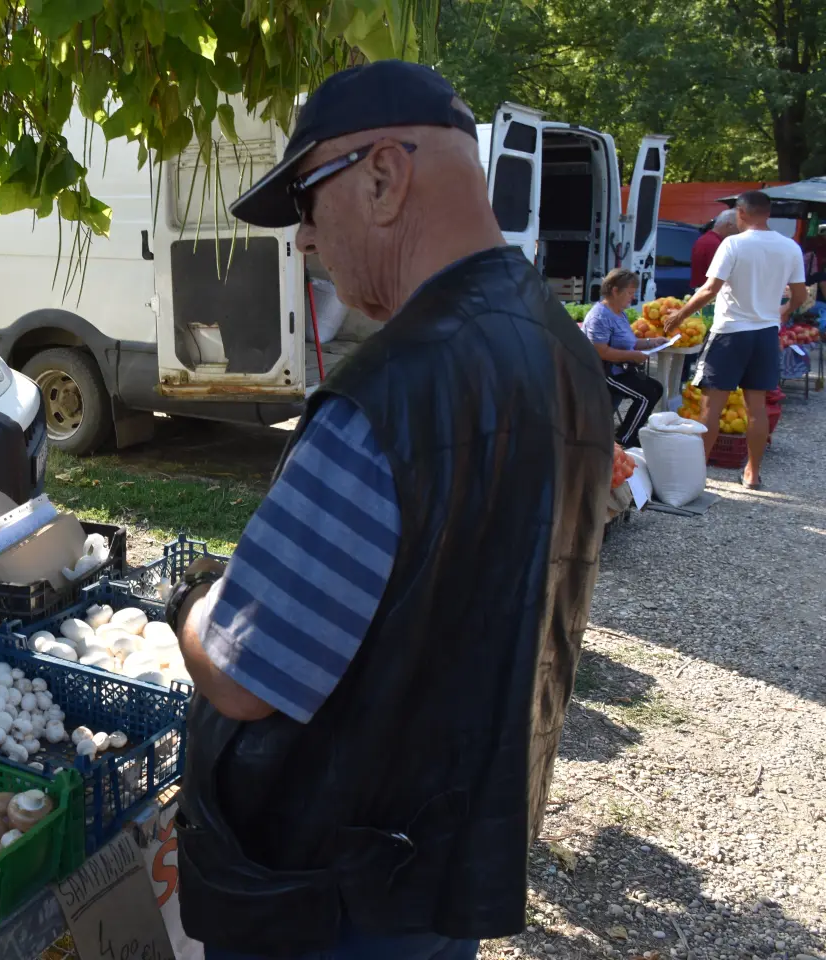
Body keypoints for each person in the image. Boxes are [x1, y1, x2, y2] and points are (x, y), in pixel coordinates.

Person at [159, 61, 613, 960]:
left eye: (304, 202)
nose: (302, 242)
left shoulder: (392, 393)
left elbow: (243, 678)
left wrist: (193, 607)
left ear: (382, 176)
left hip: (333, 896)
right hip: (447, 863)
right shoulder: (562, 347)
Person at [667, 190, 808, 488]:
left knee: (711, 408)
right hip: (766, 335)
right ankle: (752, 474)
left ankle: (698, 474)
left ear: (741, 213)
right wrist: (783, 312)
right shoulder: (790, 247)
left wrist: (678, 316)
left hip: (730, 333)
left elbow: (709, 290)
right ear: (768, 214)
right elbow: (799, 295)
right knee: (756, 407)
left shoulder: (732, 244)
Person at [581, 268, 668, 447]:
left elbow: (630, 342)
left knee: (656, 388)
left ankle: (627, 432)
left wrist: (653, 342)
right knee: (646, 395)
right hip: (603, 372)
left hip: (620, 368)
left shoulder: (620, 313)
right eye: (629, 293)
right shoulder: (600, 316)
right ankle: (625, 439)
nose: (632, 297)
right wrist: (633, 356)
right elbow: (600, 351)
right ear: (615, 291)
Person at [691, 208, 738, 290]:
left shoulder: (707, 239)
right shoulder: (714, 244)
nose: (739, 231)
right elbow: (721, 275)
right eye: (738, 226)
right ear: (729, 226)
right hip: (708, 293)